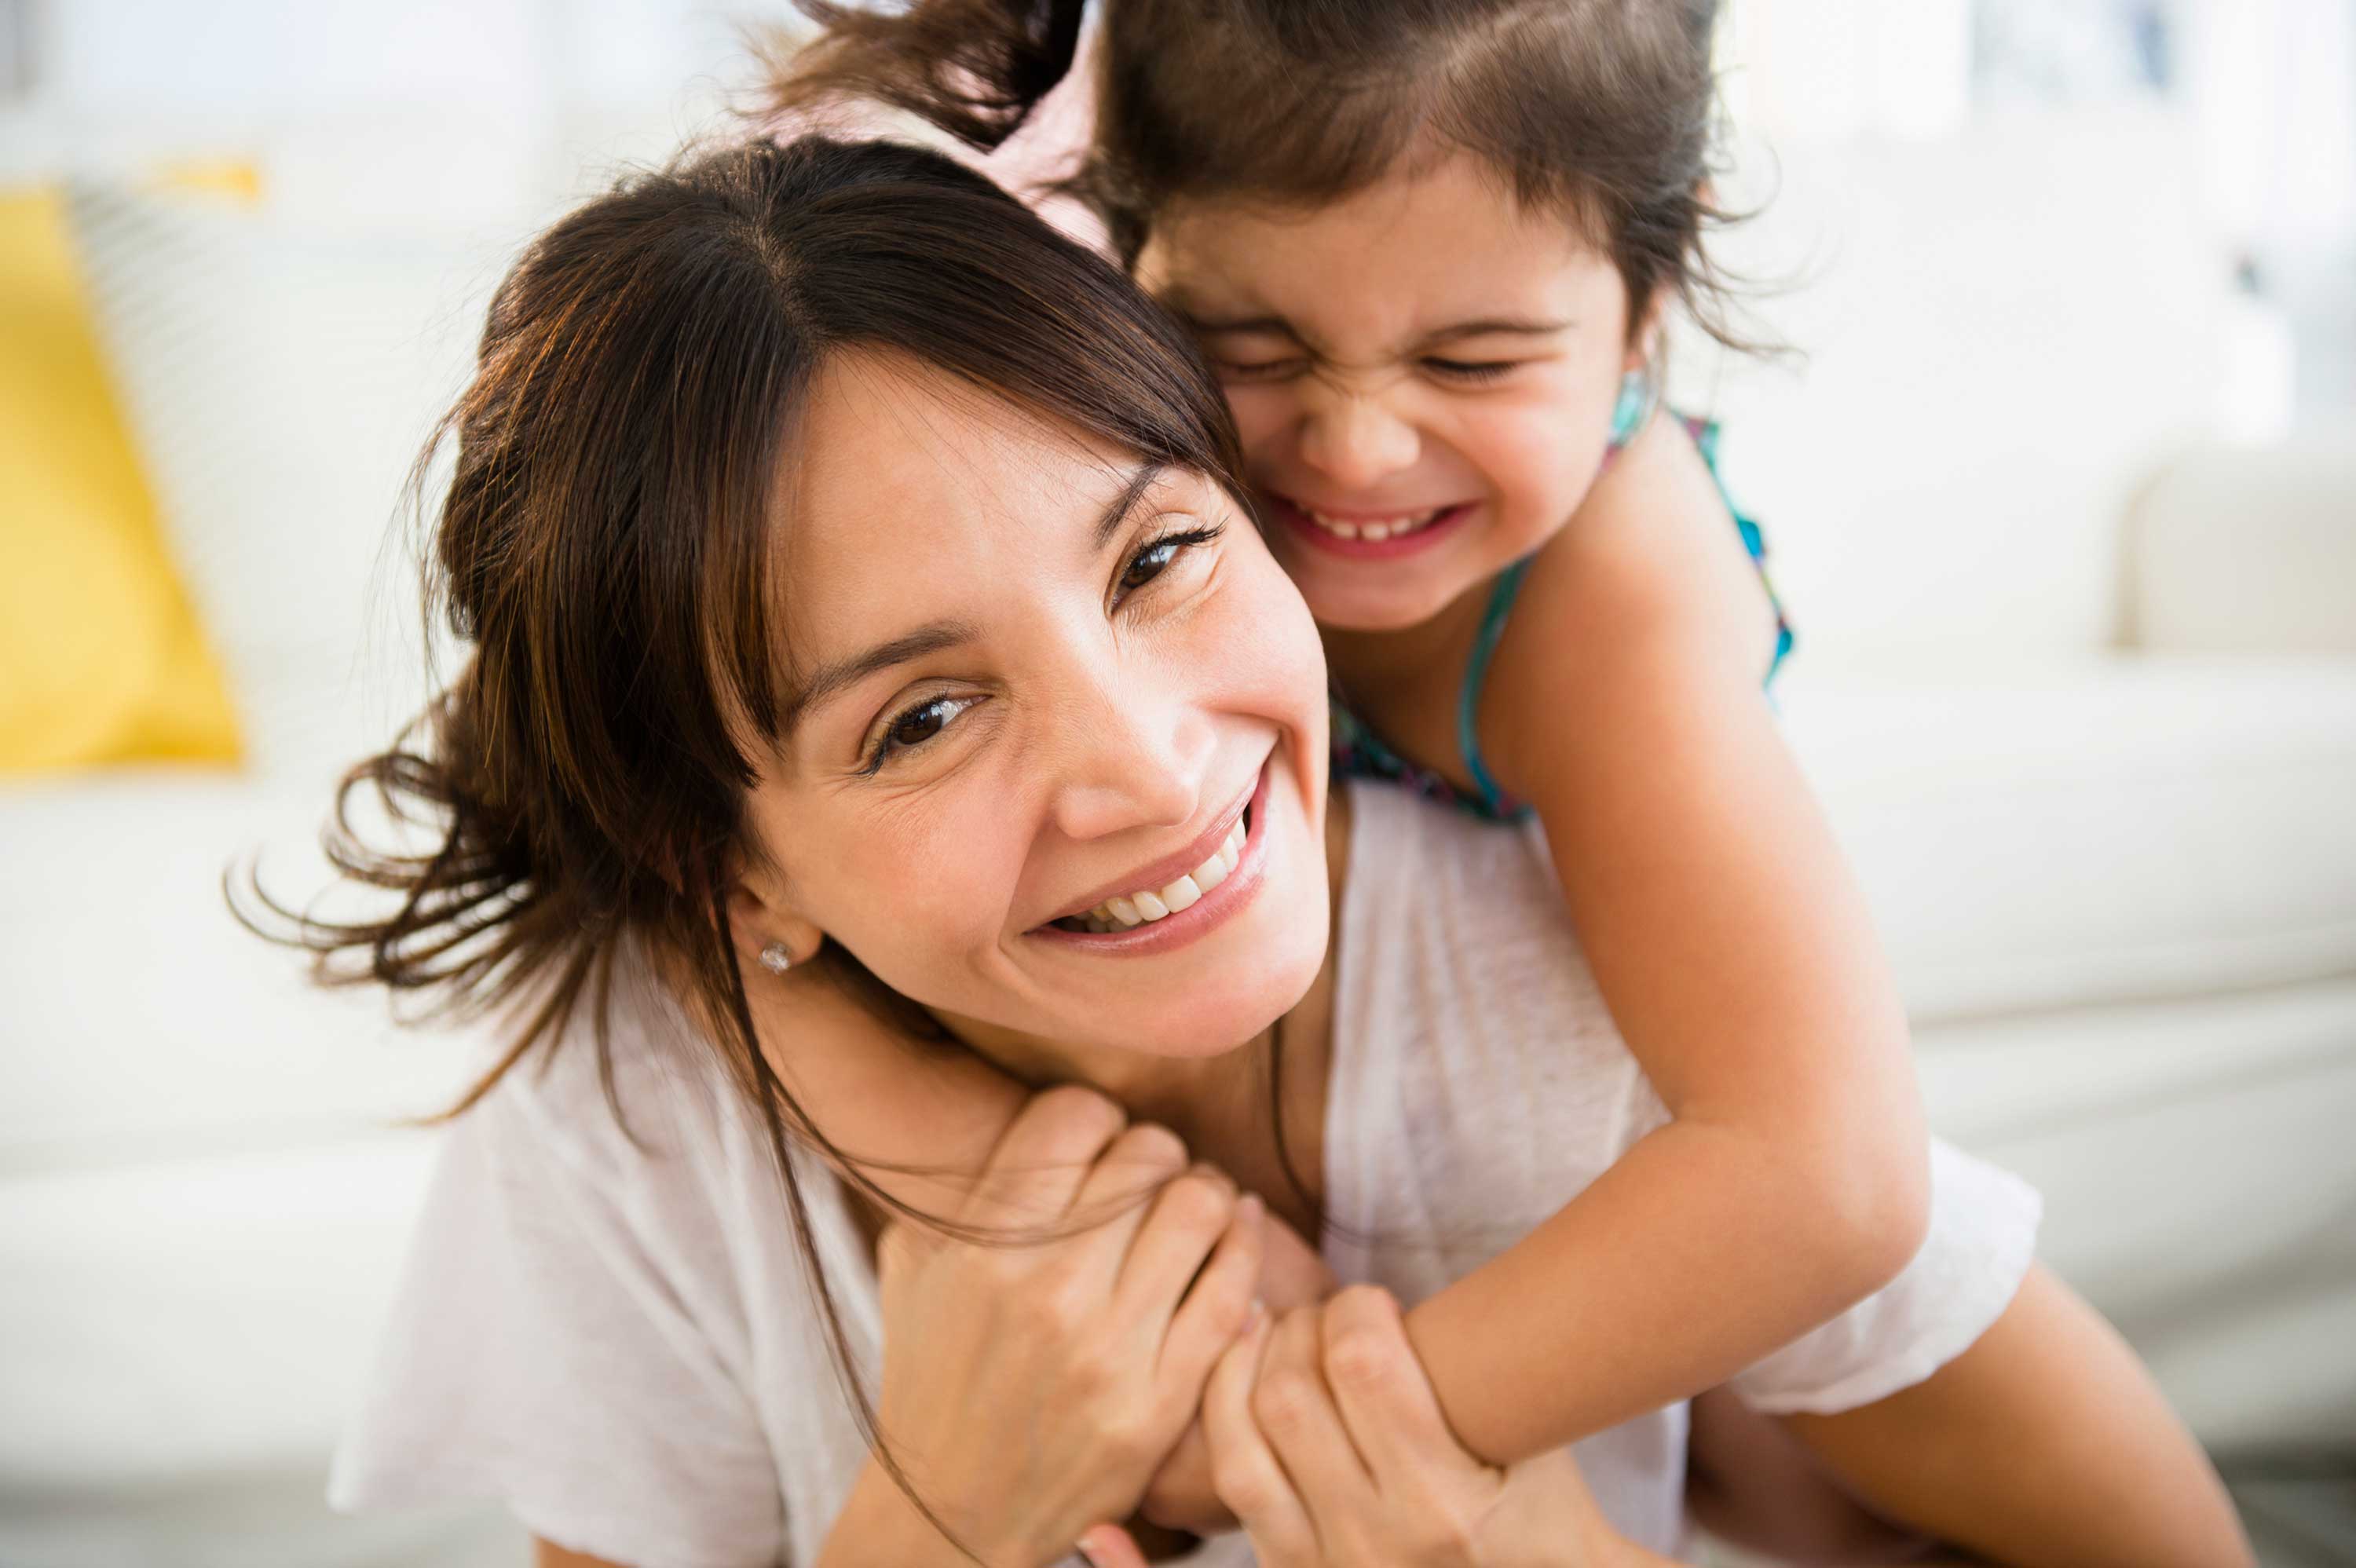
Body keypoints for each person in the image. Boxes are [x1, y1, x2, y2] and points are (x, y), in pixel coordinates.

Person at [271, 136, 2251, 1566]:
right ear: (734, 875)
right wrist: (935, 1526)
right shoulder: (634, 1119)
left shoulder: (1585, 997)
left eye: (1157, 558)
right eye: (922, 717)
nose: (1146, 767)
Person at [766, 0, 1942, 1475]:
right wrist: (835, 1046)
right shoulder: (1063, 416)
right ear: (1124, 258)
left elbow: (1830, 1176)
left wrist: (1303, 1431)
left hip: (1714, 1204)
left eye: (1475, 364)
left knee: (1911, 1374)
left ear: (1645, 312)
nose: (1356, 446)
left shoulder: (1608, 586)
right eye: (1251, 343)